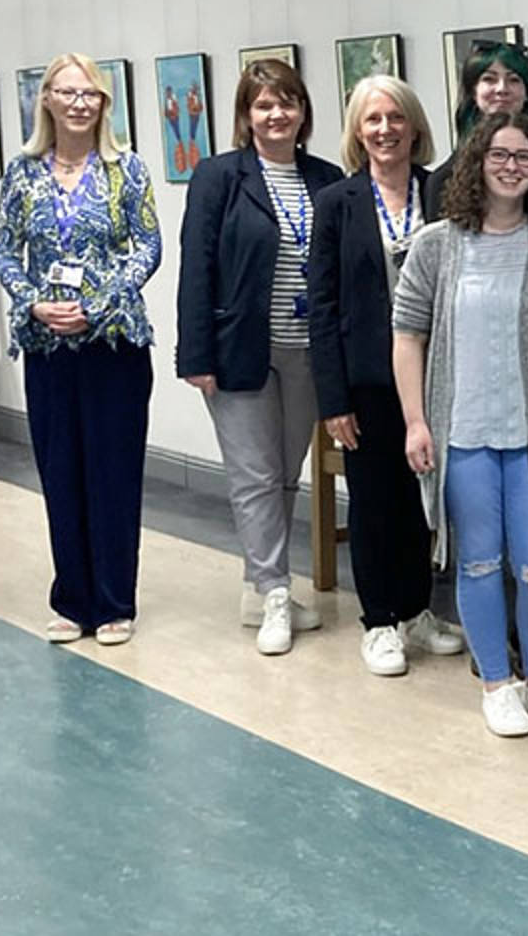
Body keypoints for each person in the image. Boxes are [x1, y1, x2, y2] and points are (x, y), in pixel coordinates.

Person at [392, 111, 528, 737]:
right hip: (462, 431)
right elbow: (408, 334)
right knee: (476, 561)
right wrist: (417, 421)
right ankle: (496, 682)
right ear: (477, 162)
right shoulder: (438, 245)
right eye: (499, 155)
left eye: (524, 156)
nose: (511, 166)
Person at [0, 53, 161, 646]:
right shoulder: (23, 173)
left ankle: (115, 602)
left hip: (113, 342)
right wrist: (35, 301)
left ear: (103, 104)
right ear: (47, 100)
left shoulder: (126, 169)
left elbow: (148, 245)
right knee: (60, 471)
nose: (79, 103)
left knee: (113, 473)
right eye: (67, 92)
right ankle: (71, 600)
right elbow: (7, 251)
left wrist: (98, 299)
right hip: (47, 346)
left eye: (90, 93)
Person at [176, 59, 342, 656]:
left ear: (303, 112)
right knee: (252, 476)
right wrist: (194, 353)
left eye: (288, 103)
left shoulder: (326, 179)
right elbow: (198, 265)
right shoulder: (219, 177)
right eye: (264, 104)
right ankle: (273, 591)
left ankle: (260, 581)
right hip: (239, 348)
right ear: (246, 115)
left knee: (285, 472)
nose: (277, 115)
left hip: (307, 351)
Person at [307, 75, 464, 677]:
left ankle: (417, 608)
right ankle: (379, 621)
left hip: (435, 376)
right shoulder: (337, 204)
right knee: (375, 500)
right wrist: (332, 396)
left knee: (422, 500)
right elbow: (321, 305)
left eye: (396, 118)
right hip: (367, 380)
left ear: (415, 126)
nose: (385, 130)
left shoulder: (443, 192)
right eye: (372, 120)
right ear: (357, 132)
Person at [423, 41, 528, 218]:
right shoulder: (443, 181)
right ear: (473, 92)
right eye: (489, 79)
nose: (502, 89)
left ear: (527, 94)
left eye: (513, 80)